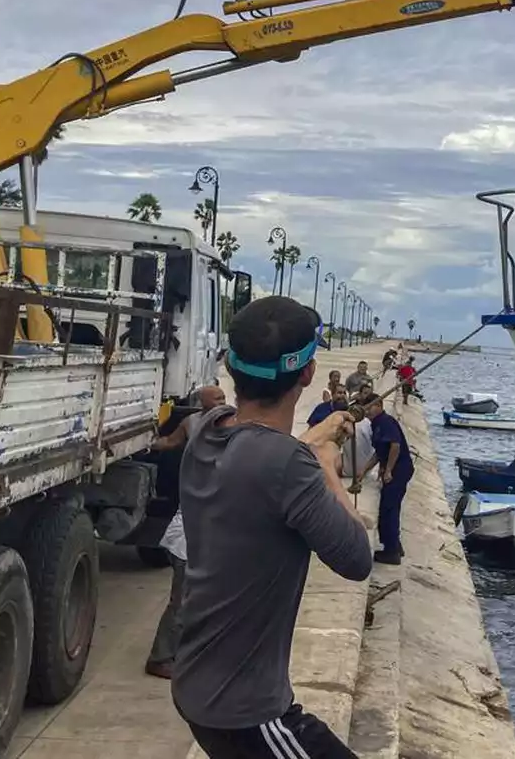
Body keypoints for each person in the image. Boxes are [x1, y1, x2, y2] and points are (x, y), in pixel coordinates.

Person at [172, 296, 372, 759]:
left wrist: (313, 441)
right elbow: (356, 559)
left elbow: (259, 451)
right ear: (307, 373)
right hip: (246, 713)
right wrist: (325, 464)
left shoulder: (207, 429)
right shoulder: (289, 465)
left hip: (197, 685)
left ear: (232, 367)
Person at [144, 384, 227, 680]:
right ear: (201, 404)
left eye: (223, 398)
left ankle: (188, 654)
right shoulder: (192, 423)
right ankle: (160, 658)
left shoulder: (230, 425)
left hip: (205, 533)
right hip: (187, 537)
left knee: (203, 600)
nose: (221, 403)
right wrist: (143, 441)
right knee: (181, 601)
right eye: (215, 399)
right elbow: (168, 442)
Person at [359, 391, 415, 565]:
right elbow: (379, 452)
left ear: (379, 406)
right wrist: (364, 470)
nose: (367, 412)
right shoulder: (376, 424)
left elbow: (395, 446)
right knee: (391, 508)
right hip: (394, 469)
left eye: (370, 408)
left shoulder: (386, 422)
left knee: (388, 509)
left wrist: (389, 470)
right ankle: (395, 545)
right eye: (365, 408)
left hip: (399, 470)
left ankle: (391, 551)